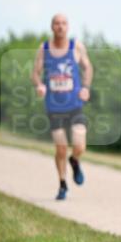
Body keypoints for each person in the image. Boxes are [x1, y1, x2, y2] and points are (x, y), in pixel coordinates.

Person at [31, 14, 93, 200]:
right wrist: (39, 85)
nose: (60, 27)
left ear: (68, 27)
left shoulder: (76, 46)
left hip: (74, 104)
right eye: (57, 23)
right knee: (61, 148)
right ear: (52, 27)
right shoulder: (45, 48)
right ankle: (63, 184)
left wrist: (86, 88)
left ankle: (74, 161)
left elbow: (87, 67)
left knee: (80, 145)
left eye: (64, 23)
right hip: (54, 107)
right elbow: (35, 73)